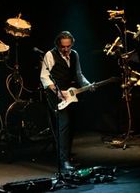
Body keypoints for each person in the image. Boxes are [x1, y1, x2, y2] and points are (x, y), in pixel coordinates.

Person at [40, 30, 94, 172]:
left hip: (69, 94)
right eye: (62, 47)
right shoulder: (50, 55)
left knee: (71, 125)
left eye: (68, 46)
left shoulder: (75, 54)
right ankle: (63, 161)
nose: (65, 49)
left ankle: (67, 157)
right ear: (58, 44)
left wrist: (87, 85)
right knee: (63, 125)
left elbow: (78, 74)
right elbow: (44, 77)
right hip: (54, 94)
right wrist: (57, 92)